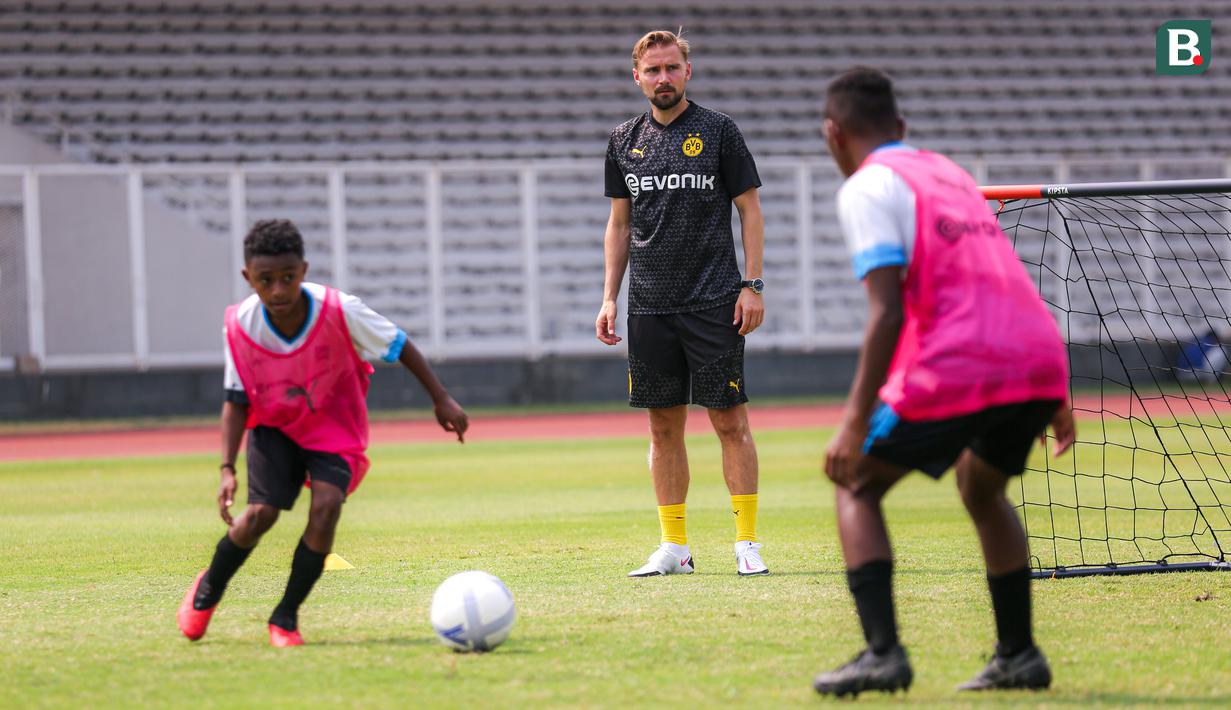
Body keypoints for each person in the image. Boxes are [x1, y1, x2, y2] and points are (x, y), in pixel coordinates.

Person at [812, 67, 1076, 696]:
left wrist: (852, 424)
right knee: (980, 484)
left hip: (962, 360)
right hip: (1038, 356)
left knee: (856, 485)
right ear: (901, 128)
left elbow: (887, 311)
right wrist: (1055, 391)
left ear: (833, 135)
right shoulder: (951, 173)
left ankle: (882, 654)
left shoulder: (868, 187)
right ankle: (1019, 655)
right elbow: (999, 276)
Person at [176, 219, 468, 647]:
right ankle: (209, 588)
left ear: (305, 270)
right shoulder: (239, 324)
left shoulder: (340, 310)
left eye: (288, 278)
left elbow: (398, 343)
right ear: (248, 278)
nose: (278, 290)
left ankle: (285, 618)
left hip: (334, 427)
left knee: (327, 505)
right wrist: (226, 467)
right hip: (274, 427)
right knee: (261, 515)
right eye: (266, 280)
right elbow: (236, 398)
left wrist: (441, 398)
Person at [596, 29, 770, 577]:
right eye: (653, 70)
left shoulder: (719, 131)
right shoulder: (624, 139)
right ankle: (675, 547)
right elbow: (619, 225)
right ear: (637, 77)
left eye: (672, 68)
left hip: (715, 300)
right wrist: (608, 297)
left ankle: (746, 542)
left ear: (687, 71)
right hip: (649, 306)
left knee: (729, 422)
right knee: (662, 428)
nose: (663, 78)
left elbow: (751, 211)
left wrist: (753, 284)